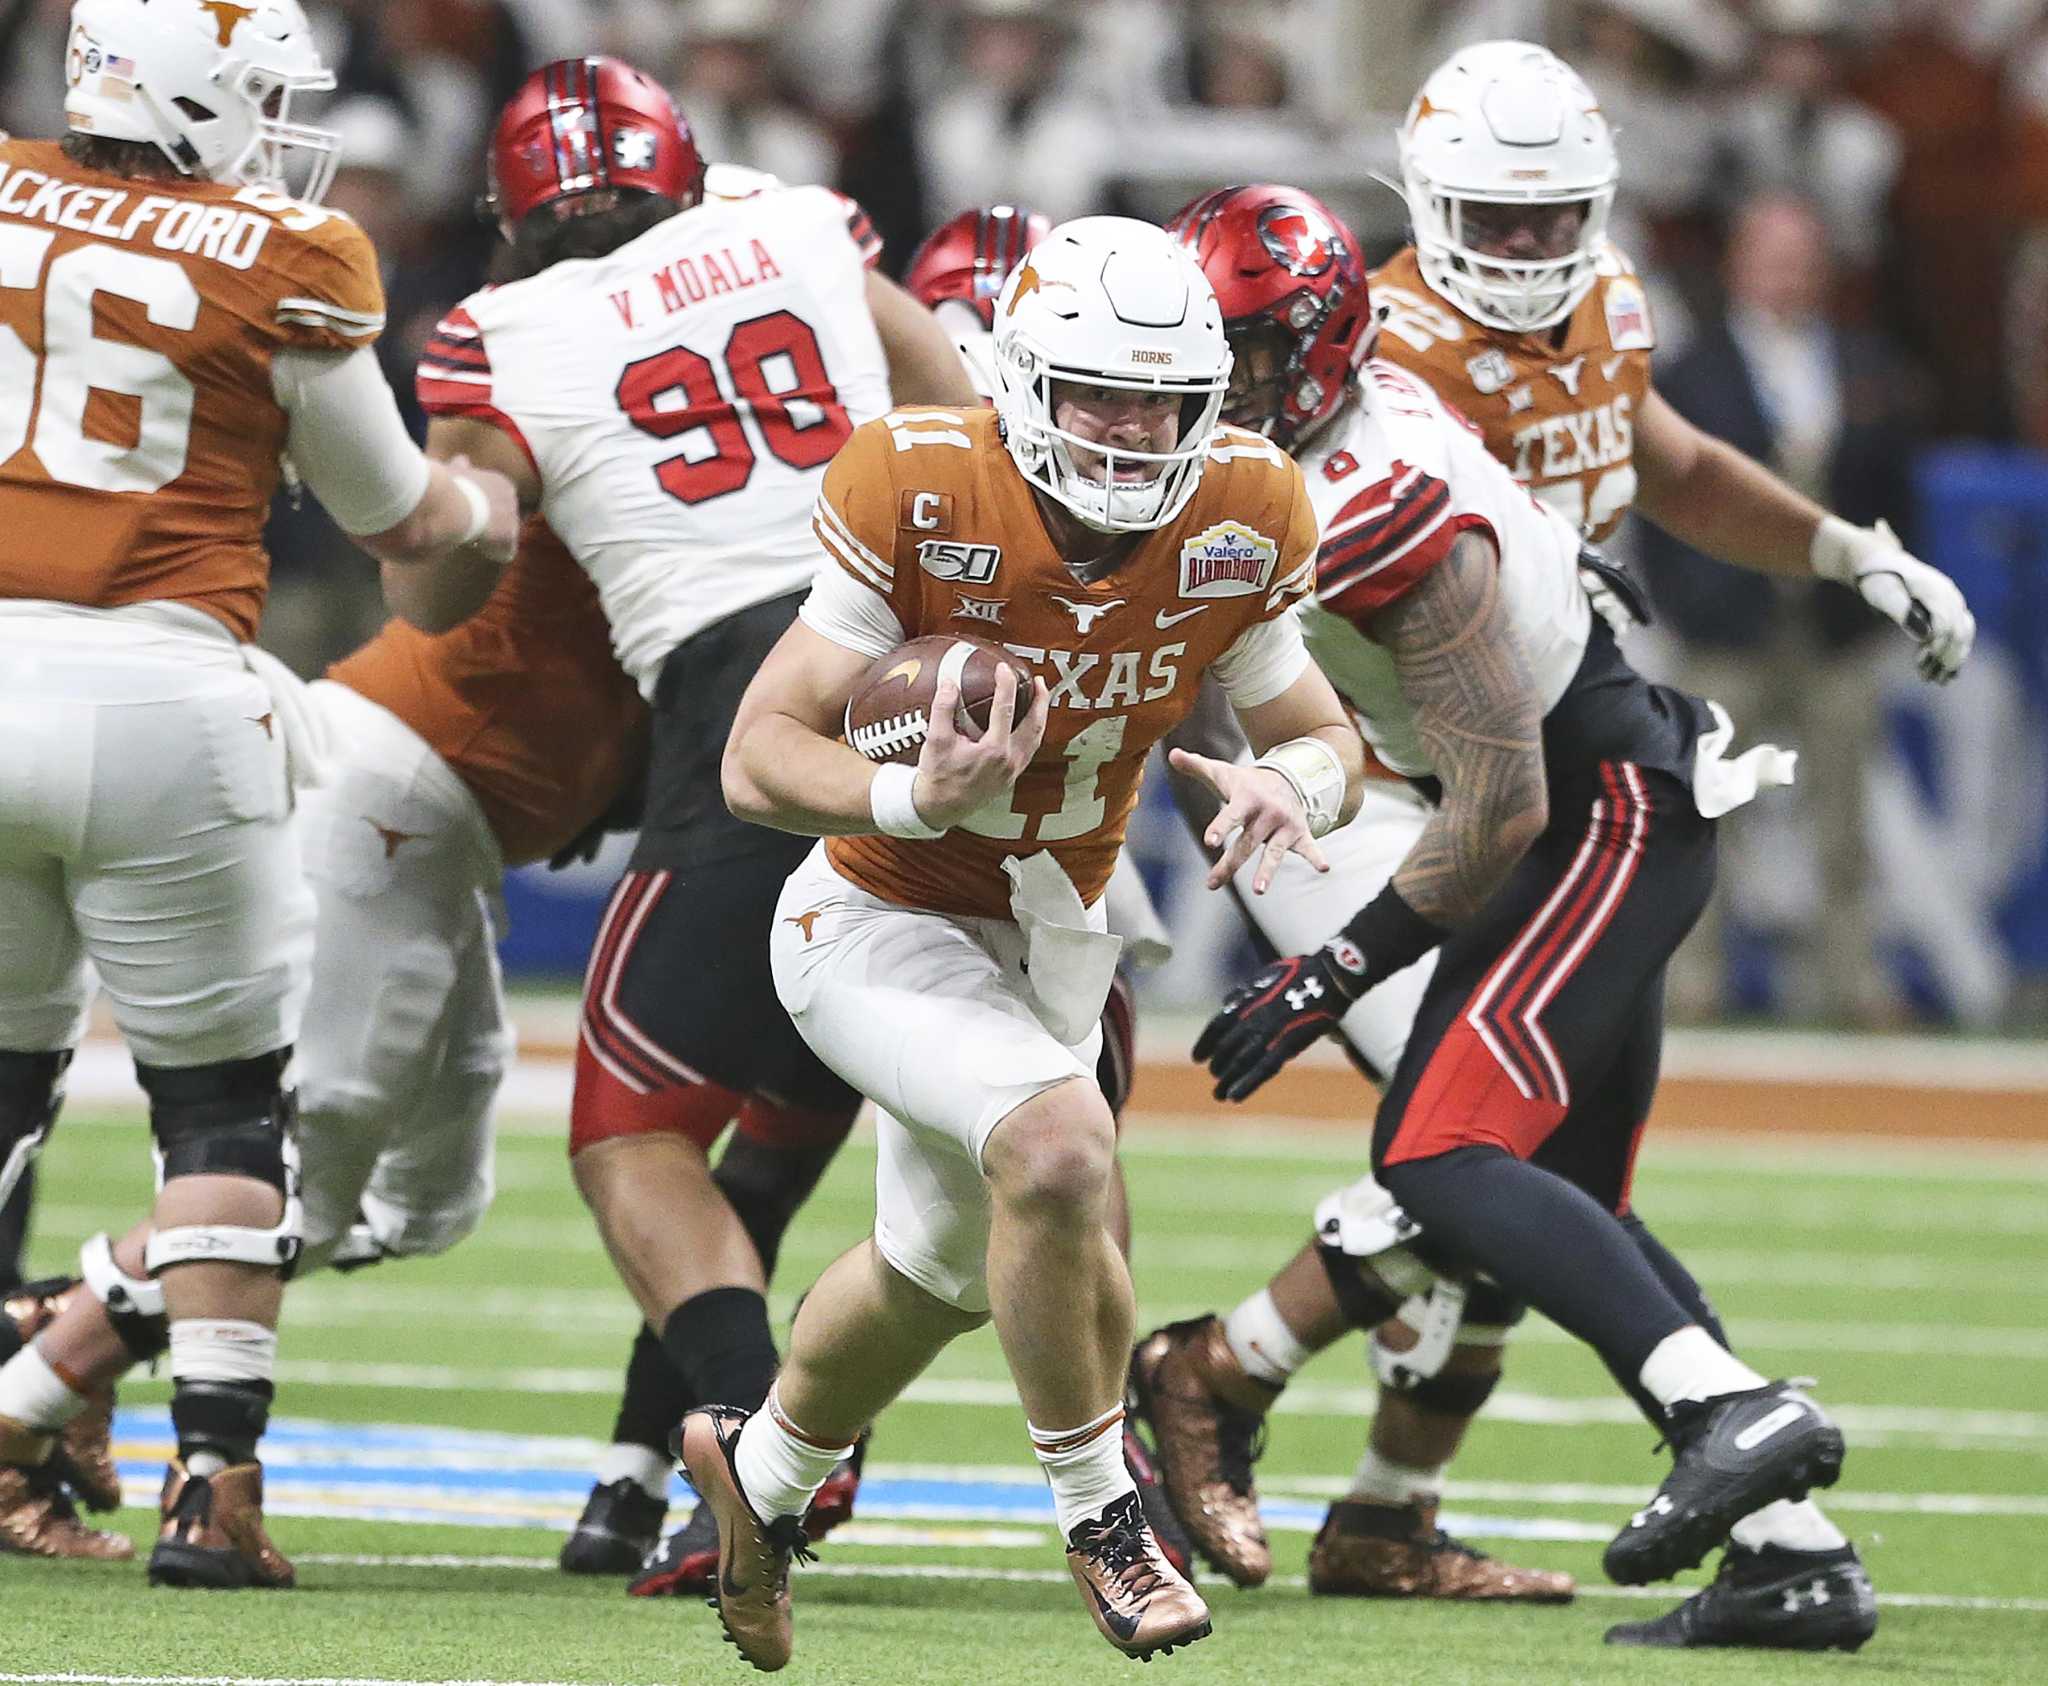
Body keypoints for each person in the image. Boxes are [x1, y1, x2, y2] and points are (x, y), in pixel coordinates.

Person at [1136, 48, 1976, 1649]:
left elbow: (1501, 774)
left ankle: (1248, 1376)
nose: (1527, 257)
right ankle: (1789, 1548)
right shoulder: (1353, 383)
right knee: (1549, 1182)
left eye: (1553, 222)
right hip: (1486, 775)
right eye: (1493, 223)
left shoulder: (1373, 474)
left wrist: (1329, 963)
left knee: (1449, 1154)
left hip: (1535, 799)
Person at [696, 213, 1367, 1670]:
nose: (1131, 431)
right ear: (1018, 381)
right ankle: (1103, 1519)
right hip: (870, 913)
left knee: (938, 1276)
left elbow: (1326, 738)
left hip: (1049, 937)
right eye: (1097, 394)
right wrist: (905, 788)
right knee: (1063, 1151)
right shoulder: (921, 479)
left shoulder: (1243, 507)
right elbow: (756, 757)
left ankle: (757, 1483)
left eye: (1161, 399)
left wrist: (1285, 781)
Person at [403, 56, 977, 1592]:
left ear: (507, 212)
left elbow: (446, 571)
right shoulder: (794, 224)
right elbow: (957, 407)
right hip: (922, 662)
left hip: (746, 694)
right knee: (849, 1112)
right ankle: (1121, 1489)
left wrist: (423, 503)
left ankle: (760, 1412)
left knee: (634, 1126)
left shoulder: (495, 328)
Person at [0, 0, 521, 1583]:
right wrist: (490, 501)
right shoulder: (288, 253)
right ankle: (211, 1486)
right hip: (165, 687)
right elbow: (396, 510)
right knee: (221, 1107)